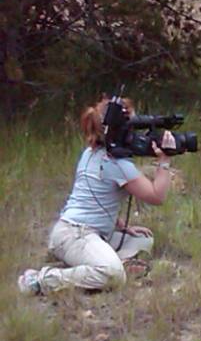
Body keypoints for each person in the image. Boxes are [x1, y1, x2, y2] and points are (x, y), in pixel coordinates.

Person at [18, 97, 176, 295]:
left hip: (72, 232)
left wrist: (122, 226)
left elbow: (97, 198)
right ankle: (42, 280)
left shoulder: (89, 153)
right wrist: (165, 160)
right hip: (77, 234)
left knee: (143, 239)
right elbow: (156, 196)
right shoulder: (118, 165)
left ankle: (103, 264)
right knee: (112, 275)